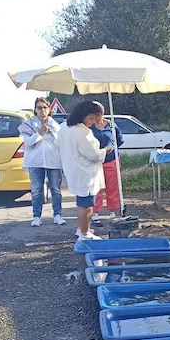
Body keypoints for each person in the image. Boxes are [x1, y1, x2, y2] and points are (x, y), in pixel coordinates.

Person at [58, 101, 111, 240]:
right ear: (83, 114)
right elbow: (93, 154)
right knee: (86, 204)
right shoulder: (81, 132)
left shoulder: (64, 126)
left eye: (97, 119)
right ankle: (84, 233)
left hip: (73, 168)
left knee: (83, 201)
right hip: (84, 171)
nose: (93, 122)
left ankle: (82, 229)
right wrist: (105, 150)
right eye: (92, 118)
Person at [18, 97, 65, 227]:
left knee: (55, 189)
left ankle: (57, 215)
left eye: (45, 107)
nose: (42, 110)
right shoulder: (28, 124)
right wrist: (39, 133)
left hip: (53, 161)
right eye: (39, 108)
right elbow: (27, 142)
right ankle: (37, 216)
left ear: (49, 110)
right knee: (37, 190)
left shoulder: (55, 125)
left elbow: (60, 141)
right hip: (35, 161)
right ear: (35, 110)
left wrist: (50, 131)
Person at [90, 116, 125, 226]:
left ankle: (113, 212)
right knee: (96, 188)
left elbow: (119, 140)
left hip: (111, 160)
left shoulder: (111, 125)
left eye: (98, 113)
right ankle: (95, 214)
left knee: (112, 187)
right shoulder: (89, 126)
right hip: (95, 162)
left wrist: (111, 149)